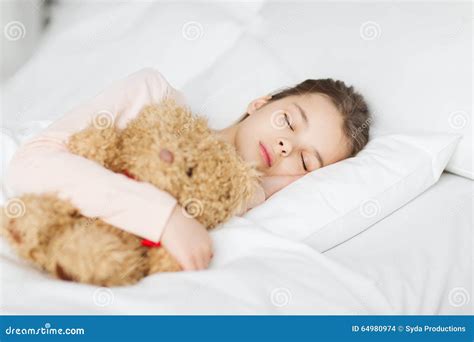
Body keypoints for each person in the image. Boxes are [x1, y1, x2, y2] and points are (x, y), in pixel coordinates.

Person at [4, 67, 371, 272]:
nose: (286, 146)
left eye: (305, 160)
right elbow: (34, 161)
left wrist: (268, 186)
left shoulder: (234, 204)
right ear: (259, 103)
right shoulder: (153, 96)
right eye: (288, 121)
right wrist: (165, 218)